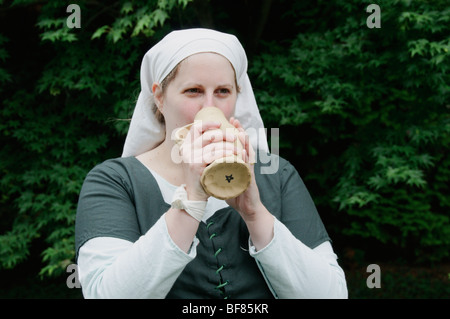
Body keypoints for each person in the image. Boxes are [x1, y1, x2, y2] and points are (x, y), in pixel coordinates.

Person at [75, 28, 348, 299]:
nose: (209, 106)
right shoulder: (115, 181)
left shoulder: (276, 175)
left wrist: (255, 213)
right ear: (159, 97)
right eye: (193, 91)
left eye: (223, 91)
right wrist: (191, 202)